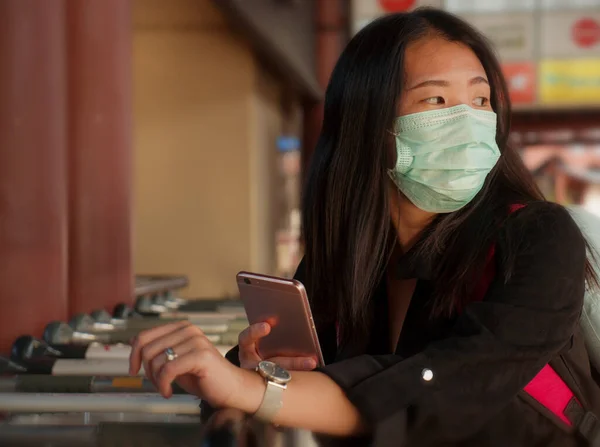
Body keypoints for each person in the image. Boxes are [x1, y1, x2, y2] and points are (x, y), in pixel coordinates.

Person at [128, 8, 600, 447]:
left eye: (480, 100)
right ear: (372, 124)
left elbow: (449, 386)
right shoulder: (343, 261)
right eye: (437, 99)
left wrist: (259, 391)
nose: (468, 123)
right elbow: (254, 382)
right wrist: (248, 372)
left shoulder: (540, 237)